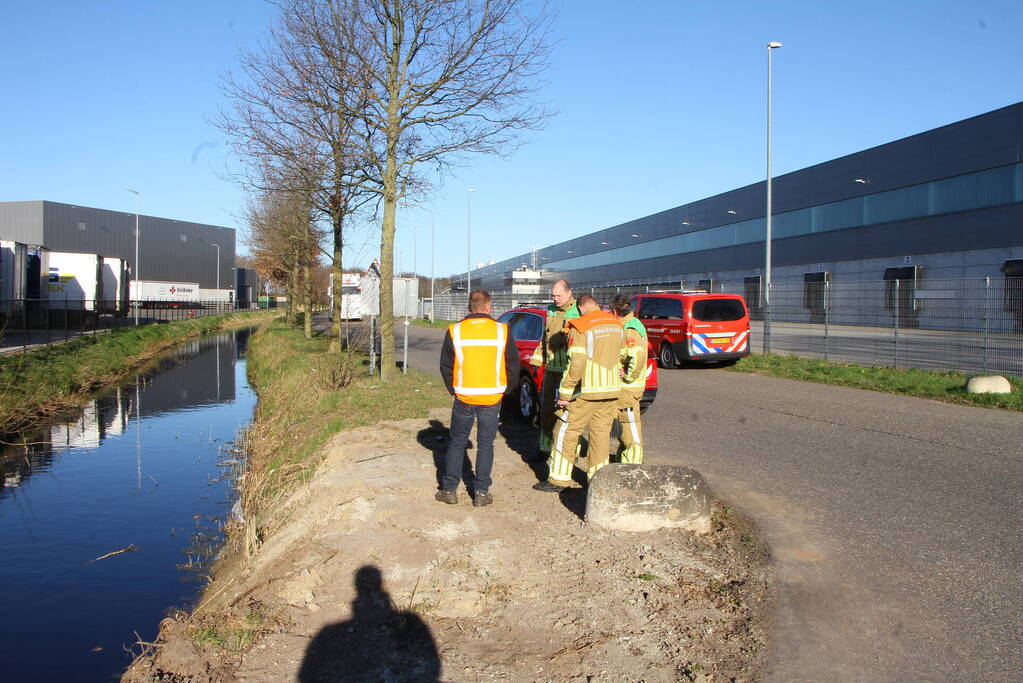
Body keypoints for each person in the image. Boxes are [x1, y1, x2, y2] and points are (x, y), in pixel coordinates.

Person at [533, 294, 626, 492]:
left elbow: (577, 363)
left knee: (565, 431)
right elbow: (623, 354)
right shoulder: (616, 324)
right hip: (610, 390)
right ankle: (597, 480)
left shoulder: (581, 326)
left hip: (586, 391)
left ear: (581, 308)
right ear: (597, 305)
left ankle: (559, 479)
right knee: (600, 436)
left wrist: (565, 394)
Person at [438, 290, 519, 506]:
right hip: (492, 397)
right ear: (488, 307)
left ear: (469, 307)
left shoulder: (455, 330)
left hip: (464, 395)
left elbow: (446, 365)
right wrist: (506, 390)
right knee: (486, 444)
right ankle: (481, 492)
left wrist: (454, 389)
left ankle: (449, 489)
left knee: (456, 442)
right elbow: (513, 363)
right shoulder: (502, 330)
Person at [528, 280, 580, 458]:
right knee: (546, 410)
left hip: (568, 371)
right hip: (551, 370)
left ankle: (572, 451)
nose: (555, 299)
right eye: (553, 295)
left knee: (569, 413)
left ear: (569, 293)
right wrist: (536, 361)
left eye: (558, 295)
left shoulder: (578, 312)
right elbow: (545, 338)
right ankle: (544, 449)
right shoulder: (550, 310)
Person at [610, 294, 648, 464]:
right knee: (624, 432)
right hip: (627, 388)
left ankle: (633, 468)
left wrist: (627, 378)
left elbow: (637, 357)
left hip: (629, 389)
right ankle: (623, 463)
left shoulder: (630, 328)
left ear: (614, 311)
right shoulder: (628, 325)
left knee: (630, 431)